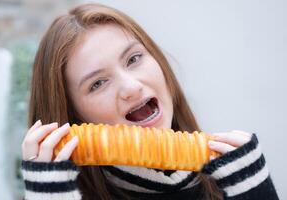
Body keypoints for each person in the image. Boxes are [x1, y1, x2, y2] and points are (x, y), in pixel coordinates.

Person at [21, 3, 279, 200]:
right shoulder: (61, 192)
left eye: (133, 59)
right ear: (74, 116)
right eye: (97, 83)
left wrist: (256, 191)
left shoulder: (233, 176)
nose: (131, 87)